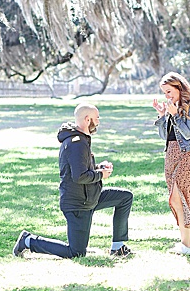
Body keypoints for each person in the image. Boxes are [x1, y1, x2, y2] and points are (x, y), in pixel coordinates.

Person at [12, 103, 134, 258]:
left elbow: (80, 168)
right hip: (78, 204)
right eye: (97, 119)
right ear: (87, 119)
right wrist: (101, 175)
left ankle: (118, 246)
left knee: (125, 197)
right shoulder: (77, 143)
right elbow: (80, 176)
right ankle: (28, 241)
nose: (98, 122)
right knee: (76, 252)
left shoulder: (80, 139)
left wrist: (99, 168)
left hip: (90, 197)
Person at [152, 72, 190, 255]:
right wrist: (162, 116)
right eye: (165, 93)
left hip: (186, 156)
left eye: (169, 92)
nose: (167, 96)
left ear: (179, 88)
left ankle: (189, 244)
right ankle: (187, 244)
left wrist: (175, 116)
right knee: (175, 201)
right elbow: (166, 138)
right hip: (171, 156)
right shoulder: (171, 109)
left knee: (183, 198)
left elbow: (188, 134)